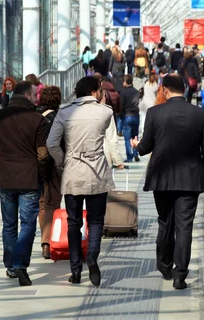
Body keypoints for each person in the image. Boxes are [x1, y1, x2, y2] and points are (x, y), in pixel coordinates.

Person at [130, 74, 204, 290]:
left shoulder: (155, 113)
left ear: (165, 90)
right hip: (190, 179)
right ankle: (180, 276)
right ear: (184, 90)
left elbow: (147, 145)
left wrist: (136, 146)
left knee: (164, 222)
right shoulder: (200, 114)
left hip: (162, 178)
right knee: (184, 227)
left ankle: (165, 266)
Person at [47, 76, 124, 287]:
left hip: (73, 172)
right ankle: (92, 254)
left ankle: (75, 270)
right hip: (97, 171)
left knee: (74, 222)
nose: (102, 92)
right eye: (100, 89)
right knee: (96, 220)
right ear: (93, 91)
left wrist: (63, 161)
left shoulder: (64, 112)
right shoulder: (105, 112)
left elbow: (51, 143)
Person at [0, 81, 48, 286]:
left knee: (9, 224)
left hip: (6, 178)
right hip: (29, 178)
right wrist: (41, 172)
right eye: (35, 95)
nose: (37, 98)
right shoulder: (38, 120)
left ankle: (11, 266)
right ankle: (20, 264)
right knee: (28, 224)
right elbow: (43, 154)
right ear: (27, 95)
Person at [35, 86, 62, 260]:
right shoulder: (60, 118)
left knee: (42, 204)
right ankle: (49, 241)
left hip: (36, 164)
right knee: (53, 202)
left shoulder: (35, 117)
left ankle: (45, 241)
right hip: (54, 165)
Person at [119, 75, 141, 162]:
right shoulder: (136, 92)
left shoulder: (123, 93)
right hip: (136, 115)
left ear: (125, 82)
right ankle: (136, 153)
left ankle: (129, 157)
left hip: (127, 115)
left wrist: (121, 115)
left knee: (127, 138)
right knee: (135, 136)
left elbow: (121, 106)